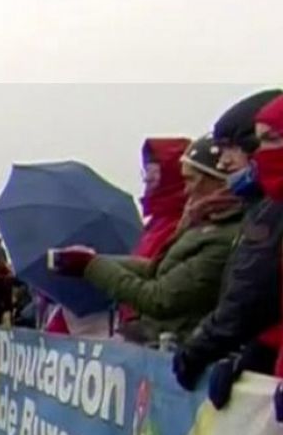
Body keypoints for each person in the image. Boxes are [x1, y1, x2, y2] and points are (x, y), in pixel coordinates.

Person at [49, 136, 245, 347]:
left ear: (215, 180)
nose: (186, 189)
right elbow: (156, 268)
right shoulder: (190, 224)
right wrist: (90, 261)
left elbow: (160, 297)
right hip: (155, 335)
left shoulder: (212, 232)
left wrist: (91, 266)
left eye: (189, 180)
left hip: (176, 341)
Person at [171, 89, 283, 400]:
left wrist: (199, 350)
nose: (223, 161)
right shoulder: (260, 208)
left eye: (272, 140)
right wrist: (257, 352)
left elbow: (252, 294)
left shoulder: (269, 213)